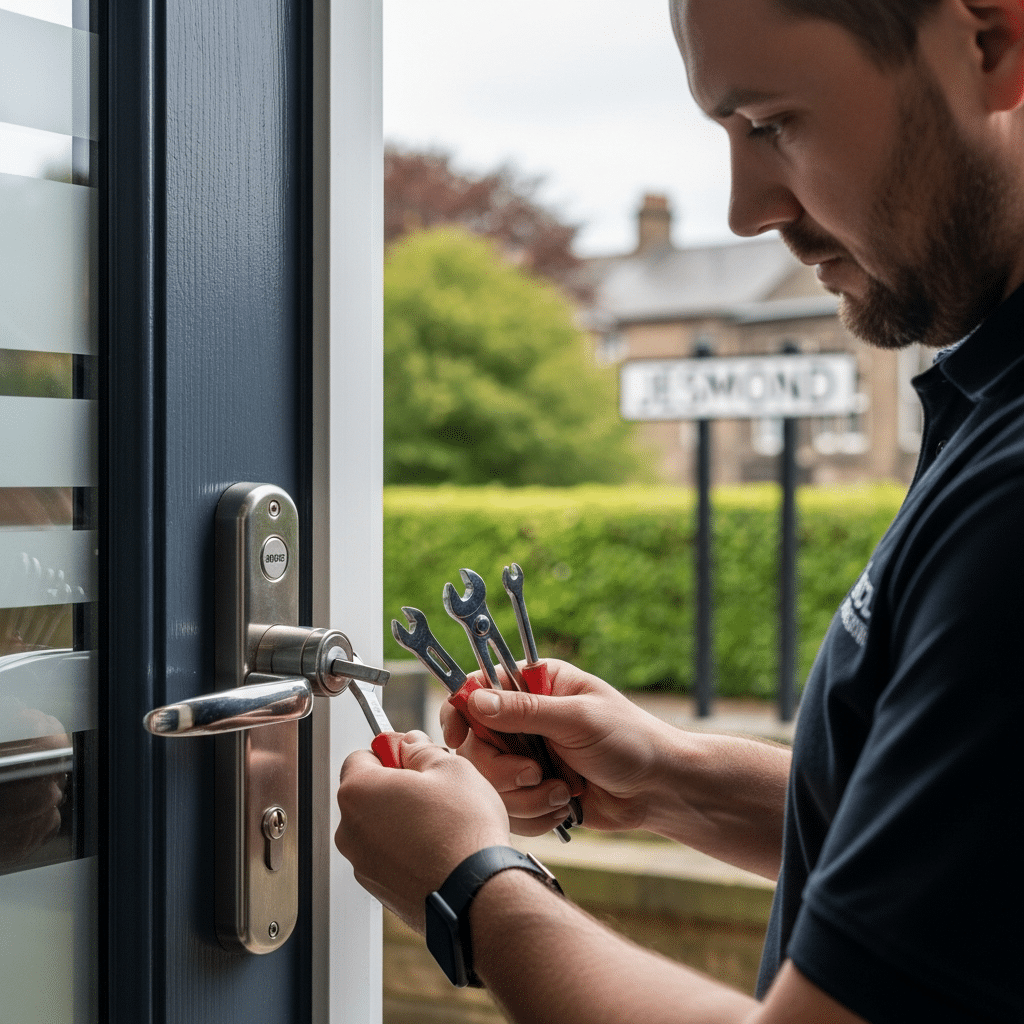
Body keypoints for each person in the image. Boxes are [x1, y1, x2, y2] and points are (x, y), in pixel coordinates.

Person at [336, 1, 1024, 1020]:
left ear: (991, 39)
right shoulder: (984, 396)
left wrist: (469, 883)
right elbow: (960, 858)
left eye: (772, 123)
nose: (746, 209)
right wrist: (666, 776)